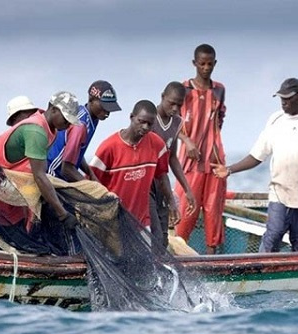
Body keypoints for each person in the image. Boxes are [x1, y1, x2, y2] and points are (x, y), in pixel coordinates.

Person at [212, 78, 298, 252]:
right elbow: (257, 156)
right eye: (282, 98)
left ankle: (296, 276)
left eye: (288, 98)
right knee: (272, 236)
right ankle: (260, 273)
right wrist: (229, 169)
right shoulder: (275, 120)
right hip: (280, 192)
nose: (284, 102)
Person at [0, 91, 81, 230]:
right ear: (53, 110)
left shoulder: (51, 130)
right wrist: (63, 214)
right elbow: (39, 176)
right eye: (66, 118)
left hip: (12, 187)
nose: (68, 124)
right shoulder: (36, 131)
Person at [174, 44, 227, 254]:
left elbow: (220, 118)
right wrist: (187, 141)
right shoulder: (183, 89)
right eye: (202, 64)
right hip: (190, 160)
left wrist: (211, 141)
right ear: (194, 63)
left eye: (210, 64)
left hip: (215, 160)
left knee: (214, 209)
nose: (206, 68)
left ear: (215, 63)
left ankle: (211, 257)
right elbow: (170, 120)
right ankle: (178, 252)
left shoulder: (219, 89)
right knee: (187, 206)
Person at [90, 100, 170, 231]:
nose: (145, 127)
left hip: (142, 224)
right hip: (112, 223)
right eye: (141, 121)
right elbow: (91, 182)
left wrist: (171, 202)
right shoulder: (109, 147)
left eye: (150, 124)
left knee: (148, 249)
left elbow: (162, 175)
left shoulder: (157, 145)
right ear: (132, 117)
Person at [150, 82, 196, 248]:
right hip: (147, 183)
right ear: (162, 97)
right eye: (171, 103)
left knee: (162, 237)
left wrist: (187, 189)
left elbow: (172, 158)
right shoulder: (149, 118)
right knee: (152, 232)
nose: (175, 108)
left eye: (180, 105)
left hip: (162, 183)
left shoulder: (177, 122)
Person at [47, 80, 121, 182]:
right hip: (53, 175)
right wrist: (89, 185)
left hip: (62, 176)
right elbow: (66, 169)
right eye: (104, 107)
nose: (107, 113)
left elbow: (76, 152)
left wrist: (90, 174)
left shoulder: (93, 119)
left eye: (109, 109)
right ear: (91, 100)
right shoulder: (80, 125)